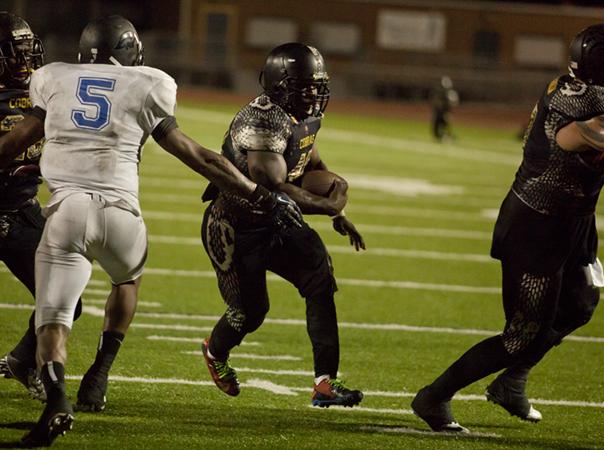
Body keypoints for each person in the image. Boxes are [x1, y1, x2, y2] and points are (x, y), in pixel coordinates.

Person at [0, 15, 301, 447]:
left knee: (53, 317)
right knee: (127, 279)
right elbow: (199, 156)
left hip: (64, 213)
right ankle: (99, 375)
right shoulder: (148, 83)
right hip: (121, 214)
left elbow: (12, 145)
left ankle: (57, 398)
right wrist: (263, 197)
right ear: (131, 54)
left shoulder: (53, 78)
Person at [412, 23, 604, 433]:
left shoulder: (590, 94)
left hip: (574, 219)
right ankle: (434, 397)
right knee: (520, 335)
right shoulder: (582, 108)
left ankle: (511, 382)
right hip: (537, 227)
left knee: (580, 304)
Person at [199, 42, 366, 408]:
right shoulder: (262, 118)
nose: (315, 94)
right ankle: (215, 352)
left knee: (320, 279)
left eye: (317, 85)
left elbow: (311, 166)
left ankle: (325, 383)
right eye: (306, 86)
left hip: (279, 219)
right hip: (234, 225)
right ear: (279, 84)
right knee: (250, 313)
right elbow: (271, 183)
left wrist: (338, 209)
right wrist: (324, 205)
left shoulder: (301, 116)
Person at [0, 11, 85, 403]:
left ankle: (22, 361)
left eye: (28, 50)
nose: (27, 60)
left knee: (67, 300)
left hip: (21, 208)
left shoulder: (42, 89)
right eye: (15, 52)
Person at [430, 76, 458, 142]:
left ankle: (446, 136)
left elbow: (453, 103)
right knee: (439, 125)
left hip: (443, 112)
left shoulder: (449, 93)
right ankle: (444, 136)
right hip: (440, 112)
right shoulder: (441, 92)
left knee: (444, 124)